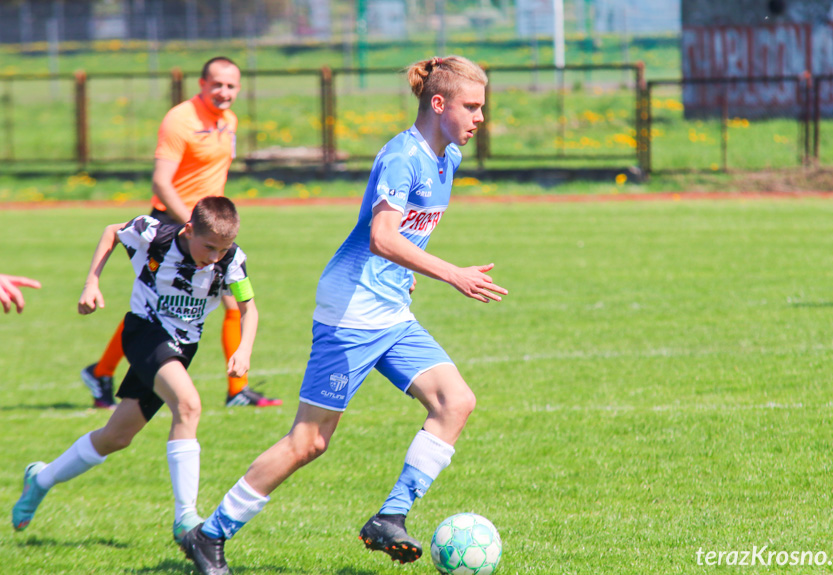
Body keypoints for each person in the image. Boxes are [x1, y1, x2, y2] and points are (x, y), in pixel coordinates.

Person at [180, 55, 507, 575]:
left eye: (482, 108)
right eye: (472, 107)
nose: (480, 118)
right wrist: (453, 273)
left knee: (455, 402)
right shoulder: (403, 156)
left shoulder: (448, 160)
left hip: (390, 310)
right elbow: (380, 237)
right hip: (351, 311)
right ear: (439, 104)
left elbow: (405, 235)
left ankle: (391, 516)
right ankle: (210, 534)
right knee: (309, 441)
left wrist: (410, 270)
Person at [12, 196, 258, 547]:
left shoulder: (233, 259)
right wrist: (91, 282)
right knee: (188, 405)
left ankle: (41, 478)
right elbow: (112, 231)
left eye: (223, 249)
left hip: (181, 348)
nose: (215, 257)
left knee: (116, 437)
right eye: (210, 247)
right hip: (144, 332)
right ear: (189, 230)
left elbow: (249, 310)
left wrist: (244, 350)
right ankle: (186, 518)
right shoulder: (154, 234)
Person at [80, 56, 280, 409]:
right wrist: (192, 225)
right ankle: (103, 370)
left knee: (234, 303)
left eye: (231, 85)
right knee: (152, 311)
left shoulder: (228, 120)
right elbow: (161, 180)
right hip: (176, 226)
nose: (224, 91)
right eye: (216, 84)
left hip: (206, 231)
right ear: (201, 84)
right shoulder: (180, 119)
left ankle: (237, 388)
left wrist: (212, 226)